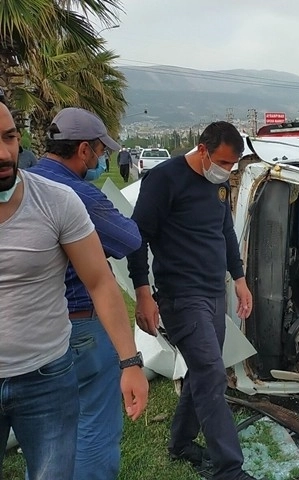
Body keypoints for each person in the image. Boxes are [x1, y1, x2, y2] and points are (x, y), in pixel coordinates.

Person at [0, 101, 148, 479]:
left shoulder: (53, 197)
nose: (4, 152)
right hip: (81, 327)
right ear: (85, 150)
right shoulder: (82, 194)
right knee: (96, 428)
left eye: (10, 137)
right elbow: (129, 238)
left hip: (47, 371)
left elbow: (101, 280)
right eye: (99, 152)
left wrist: (131, 362)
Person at [127, 121, 256, 480]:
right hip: (181, 296)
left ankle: (181, 444)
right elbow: (138, 238)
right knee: (213, 374)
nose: (227, 172)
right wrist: (142, 294)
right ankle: (229, 469)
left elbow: (225, 231)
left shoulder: (218, 187)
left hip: (214, 293)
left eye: (233, 165)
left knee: (203, 373)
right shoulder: (165, 180)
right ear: (202, 150)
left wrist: (240, 280)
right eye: (223, 163)